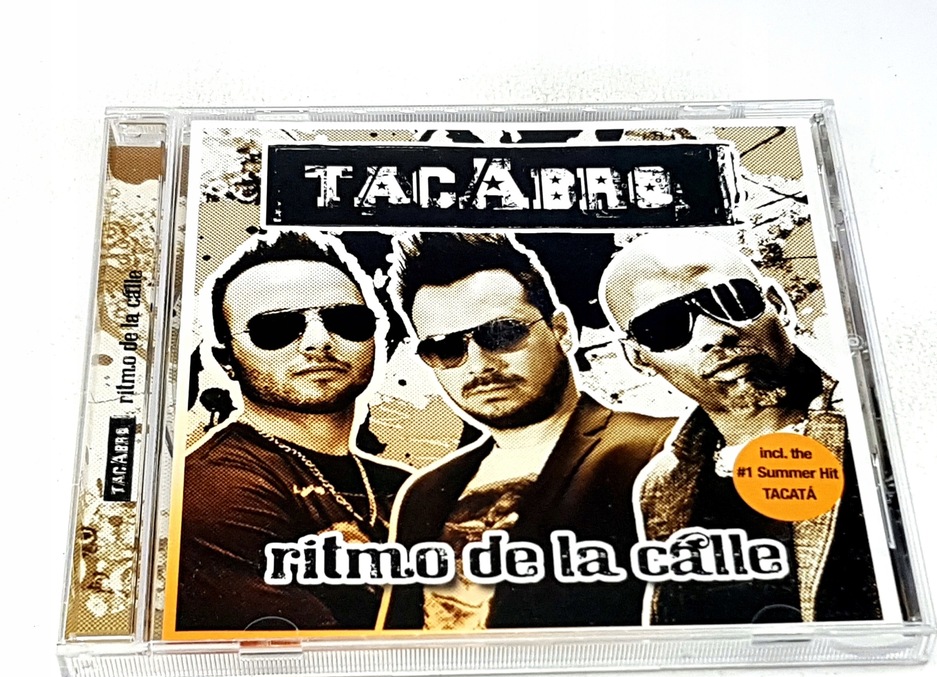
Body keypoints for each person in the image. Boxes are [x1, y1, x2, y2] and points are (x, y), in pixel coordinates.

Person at [379, 232, 674, 631]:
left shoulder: (660, 449)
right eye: (446, 348)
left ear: (562, 331)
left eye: (502, 333)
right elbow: (395, 641)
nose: (479, 364)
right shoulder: (423, 493)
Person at [600, 229, 881, 625]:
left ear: (777, 304)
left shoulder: (876, 433)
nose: (715, 334)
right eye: (665, 326)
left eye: (729, 299)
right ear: (638, 358)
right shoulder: (661, 484)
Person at [174, 230, 409, 632]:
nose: (319, 342)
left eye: (346, 321)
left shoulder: (410, 486)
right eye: (275, 329)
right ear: (226, 360)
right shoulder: (215, 487)